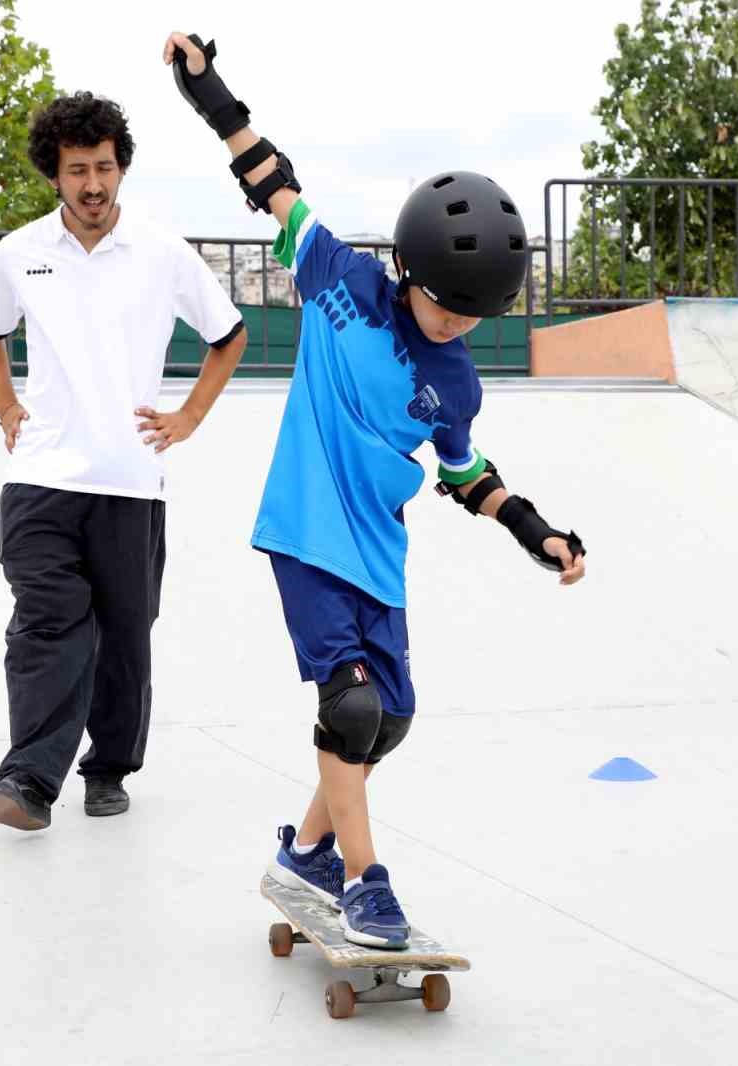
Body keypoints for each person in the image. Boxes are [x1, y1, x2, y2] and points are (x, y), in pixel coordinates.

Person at [162, 33, 587, 946]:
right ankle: (366, 883)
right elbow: (269, 180)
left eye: (476, 315)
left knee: (388, 721)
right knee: (347, 707)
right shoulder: (340, 281)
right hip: (304, 531)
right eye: (446, 306)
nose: (457, 324)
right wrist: (209, 91)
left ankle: (306, 853)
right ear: (409, 269)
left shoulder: (459, 382)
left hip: (377, 556)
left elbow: (467, 474)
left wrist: (538, 530)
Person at [0, 91, 248, 831]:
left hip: (130, 483)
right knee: (47, 622)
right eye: (76, 170)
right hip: (40, 478)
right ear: (53, 176)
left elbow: (230, 334)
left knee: (125, 636)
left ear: (121, 168)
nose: (92, 184)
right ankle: (28, 779)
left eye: (103, 167)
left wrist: (188, 416)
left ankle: (111, 766)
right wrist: (5, 406)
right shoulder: (19, 254)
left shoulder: (162, 251)